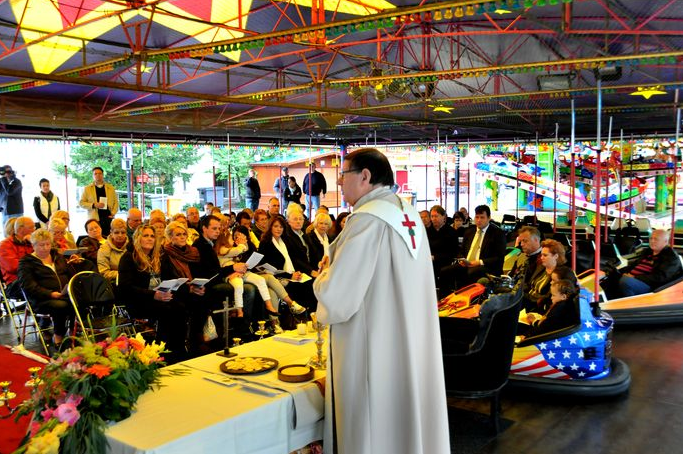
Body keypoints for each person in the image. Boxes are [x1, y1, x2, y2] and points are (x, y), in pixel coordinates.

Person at [312, 148, 449, 454]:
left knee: (375, 425)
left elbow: (338, 297)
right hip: (408, 337)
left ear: (365, 176)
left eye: (343, 175)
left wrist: (323, 278)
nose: (339, 183)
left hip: (374, 343)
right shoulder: (407, 212)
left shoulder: (367, 219)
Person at [118, 224, 189, 364]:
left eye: (152, 236)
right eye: (146, 236)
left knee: (181, 307)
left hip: (159, 297)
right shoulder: (128, 258)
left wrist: (177, 286)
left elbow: (169, 277)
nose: (150, 239)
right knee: (167, 311)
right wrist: (153, 295)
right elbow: (125, 288)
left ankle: (178, 350)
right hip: (138, 300)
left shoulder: (159, 256)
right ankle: (161, 353)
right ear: (138, 238)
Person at [18, 229, 79, 347]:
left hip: (63, 295)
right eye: (41, 245)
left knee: (78, 300)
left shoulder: (57, 256)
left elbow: (69, 274)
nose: (45, 248)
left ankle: (74, 331)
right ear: (33, 245)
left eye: (48, 244)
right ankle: (58, 336)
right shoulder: (26, 262)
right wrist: (50, 293)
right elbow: (28, 286)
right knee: (61, 306)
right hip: (41, 299)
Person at [258, 215, 318, 311]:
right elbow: (267, 266)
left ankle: (311, 315)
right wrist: (290, 276)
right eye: (276, 226)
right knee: (298, 287)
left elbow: (293, 259)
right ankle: (297, 315)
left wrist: (296, 273)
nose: (278, 229)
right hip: (276, 276)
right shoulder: (265, 242)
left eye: (281, 227)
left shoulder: (285, 241)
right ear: (270, 227)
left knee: (311, 283)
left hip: (290, 274)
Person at [449, 204, 506, 291]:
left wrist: (479, 262)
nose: (479, 220)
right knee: (445, 271)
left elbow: (499, 257)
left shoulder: (497, 233)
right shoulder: (469, 232)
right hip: (467, 264)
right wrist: (462, 259)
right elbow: (461, 251)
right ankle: (445, 300)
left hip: (486, 266)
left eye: (482, 217)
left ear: (489, 218)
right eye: (477, 217)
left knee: (470, 272)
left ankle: (468, 298)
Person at [615, 229, 683, 297]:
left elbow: (660, 277)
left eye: (656, 239)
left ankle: (629, 305)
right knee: (612, 276)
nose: (652, 241)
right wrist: (620, 271)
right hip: (632, 278)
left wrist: (635, 277)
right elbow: (634, 264)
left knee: (626, 282)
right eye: (651, 238)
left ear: (665, 242)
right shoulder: (647, 251)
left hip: (651, 286)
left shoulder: (671, 257)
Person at [524, 239, 566, 313]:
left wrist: (524, 297)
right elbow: (528, 284)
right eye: (541, 255)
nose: (541, 258)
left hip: (536, 308)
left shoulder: (560, 275)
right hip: (526, 301)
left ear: (556, 256)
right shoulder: (541, 267)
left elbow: (547, 298)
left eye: (545, 255)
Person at [0, 216, 35, 299]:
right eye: (31, 227)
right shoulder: (5, 245)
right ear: (20, 229)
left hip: (33, 277)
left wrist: (34, 243)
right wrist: (36, 266)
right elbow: (12, 267)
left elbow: (45, 259)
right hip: (14, 283)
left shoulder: (32, 243)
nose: (34, 230)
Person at [79, 166, 119, 237]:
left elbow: (116, 202)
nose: (98, 175)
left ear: (103, 175)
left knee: (108, 237)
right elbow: (81, 203)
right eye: (95, 174)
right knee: (95, 238)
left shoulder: (110, 188)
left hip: (107, 217)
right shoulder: (87, 189)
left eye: (100, 173)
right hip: (94, 219)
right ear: (93, 176)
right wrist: (93, 205)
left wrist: (113, 213)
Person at [427, 205, 459, 295]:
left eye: (436, 216)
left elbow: (452, 252)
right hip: (428, 261)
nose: (433, 219)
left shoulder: (451, 232)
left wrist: (435, 257)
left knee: (444, 272)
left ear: (443, 217)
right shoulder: (427, 231)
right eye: (432, 216)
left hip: (445, 261)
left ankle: (443, 299)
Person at [97, 218, 129, 285]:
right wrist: (124, 274)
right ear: (111, 232)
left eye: (123, 232)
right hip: (113, 284)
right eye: (116, 232)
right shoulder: (103, 250)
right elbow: (104, 273)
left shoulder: (132, 247)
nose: (120, 235)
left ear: (126, 233)